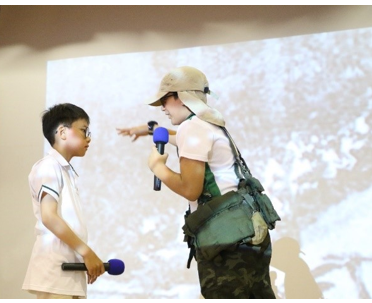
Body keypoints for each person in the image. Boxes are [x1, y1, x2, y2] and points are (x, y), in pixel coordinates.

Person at [116, 66, 275, 298]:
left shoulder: (192, 127)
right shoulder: (209, 124)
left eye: (165, 99)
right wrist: (152, 129)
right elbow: (184, 139)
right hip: (247, 231)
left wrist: (157, 167)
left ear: (181, 96)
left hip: (225, 240)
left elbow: (191, 189)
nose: (162, 107)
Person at [23, 103, 104, 299]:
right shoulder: (49, 166)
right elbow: (49, 217)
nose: (89, 138)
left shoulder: (65, 171)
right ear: (62, 132)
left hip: (69, 273)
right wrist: (86, 252)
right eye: (84, 130)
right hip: (55, 272)